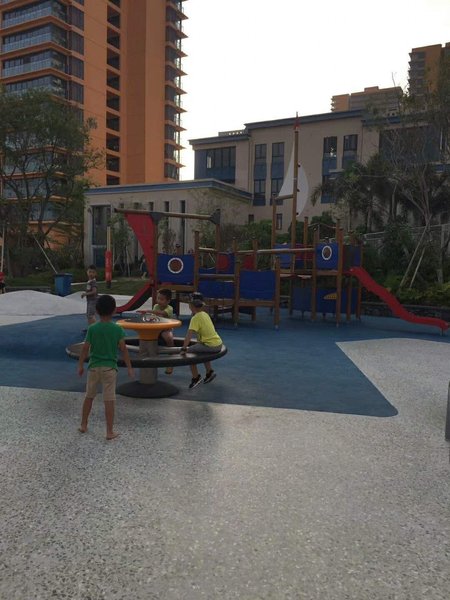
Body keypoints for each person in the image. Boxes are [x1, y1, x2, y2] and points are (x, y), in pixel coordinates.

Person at [77, 294, 134, 440]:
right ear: (114, 310)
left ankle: (83, 424)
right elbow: (124, 349)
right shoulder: (117, 329)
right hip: (110, 368)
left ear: (96, 310)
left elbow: (85, 348)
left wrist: (80, 365)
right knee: (109, 399)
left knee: (89, 396)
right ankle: (109, 431)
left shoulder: (92, 329)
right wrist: (129, 367)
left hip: (93, 368)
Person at [181, 292, 223, 389]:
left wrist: (184, 348)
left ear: (191, 306)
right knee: (202, 349)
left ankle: (196, 377)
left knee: (189, 353)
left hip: (211, 346)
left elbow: (189, 335)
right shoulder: (205, 314)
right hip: (217, 343)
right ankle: (209, 372)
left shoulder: (195, 318)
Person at [152, 288, 175, 375]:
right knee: (148, 337)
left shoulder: (169, 308)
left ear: (168, 301)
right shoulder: (156, 306)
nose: (159, 301)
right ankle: (151, 359)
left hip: (166, 328)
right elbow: (154, 316)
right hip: (156, 328)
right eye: (158, 298)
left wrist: (149, 311)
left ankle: (171, 361)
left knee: (169, 338)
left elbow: (162, 314)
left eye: (162, 299)